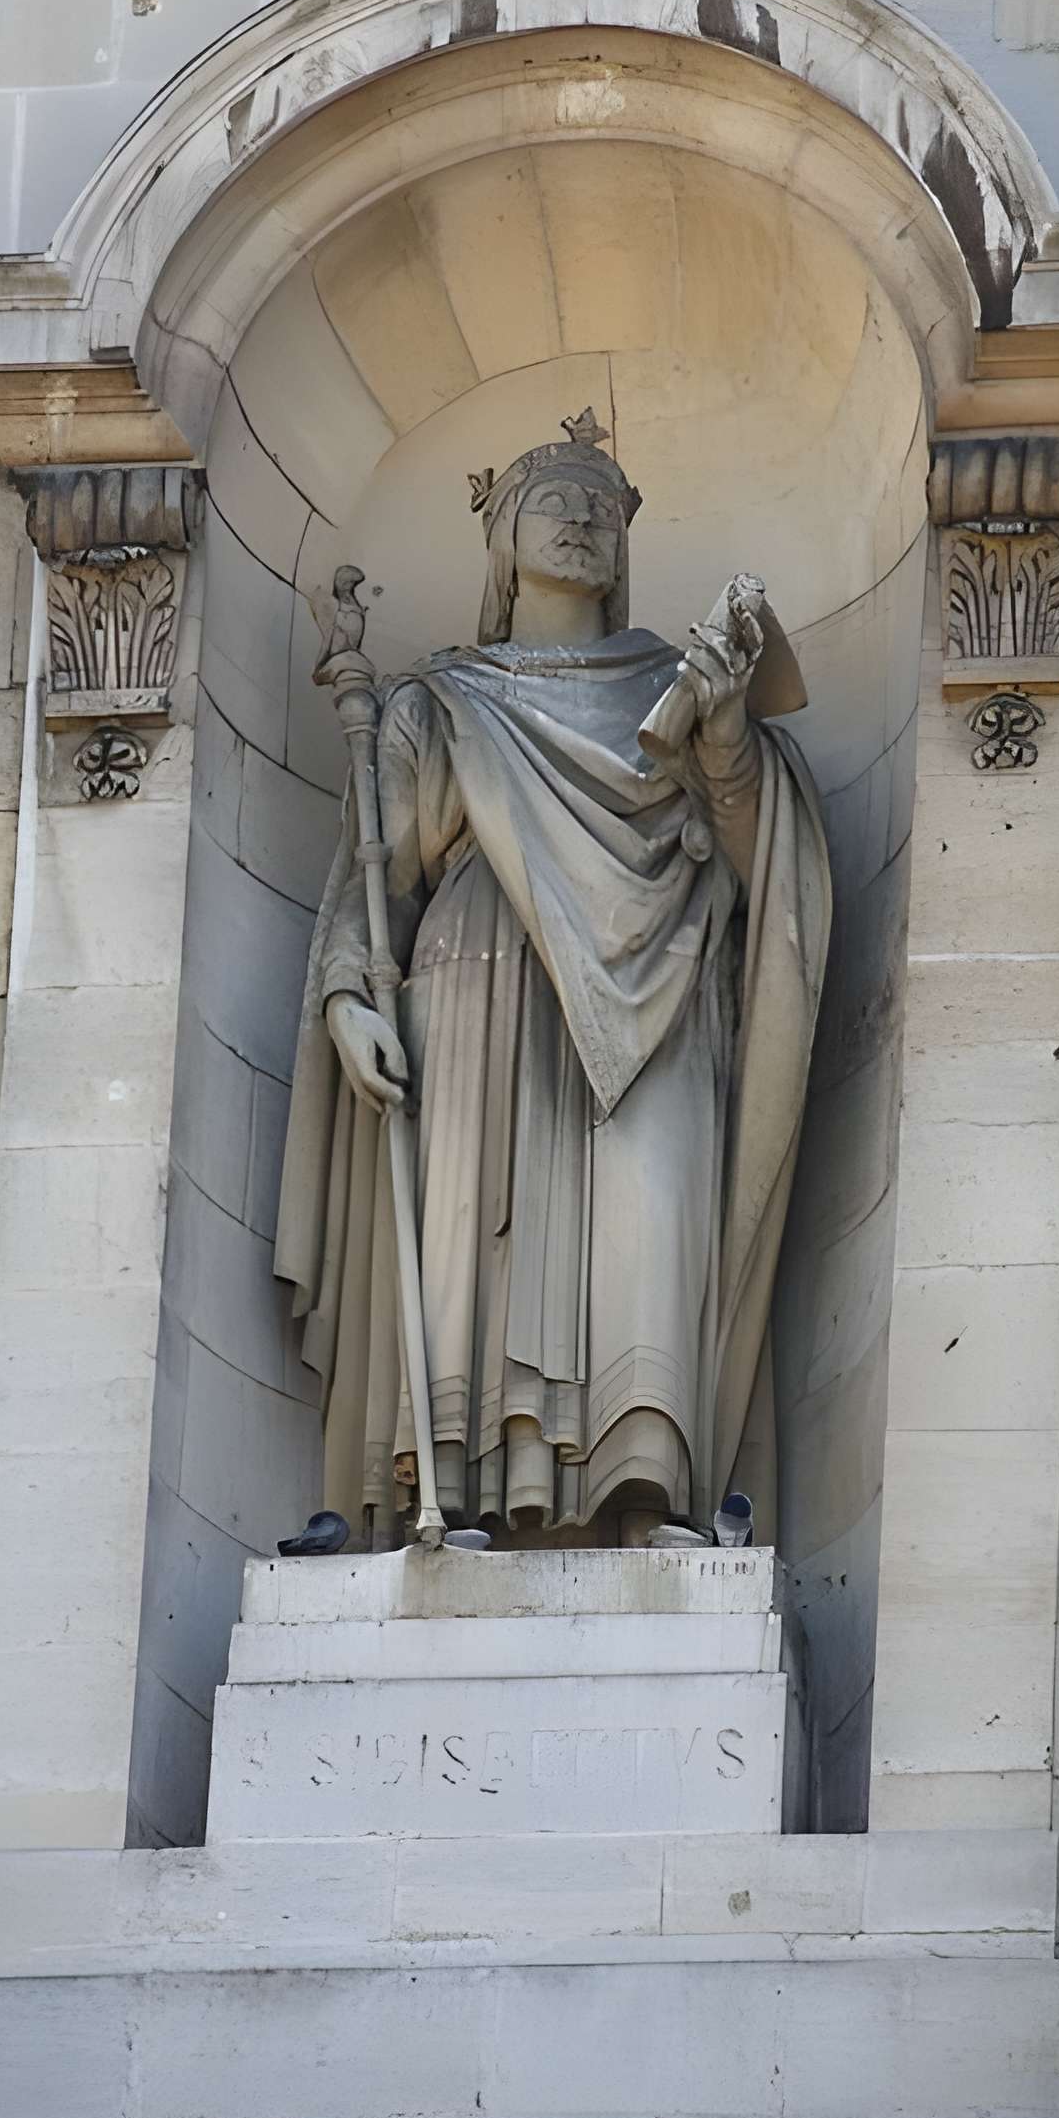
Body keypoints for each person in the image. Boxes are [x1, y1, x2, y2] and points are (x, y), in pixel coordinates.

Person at [275, 411, 831, 1545]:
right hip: (478, 977)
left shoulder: (678, 682)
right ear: (500, 538)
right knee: (479, 1223)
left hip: (662, 977)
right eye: (553, 500)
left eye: (599, 505)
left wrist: (723, 741)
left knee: (652, 1211)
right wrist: (344, 999)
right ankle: (465, 1492)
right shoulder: (440, 700)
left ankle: (645, 1492)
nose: (579, 522)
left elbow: (757, 853)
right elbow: (370, 880)